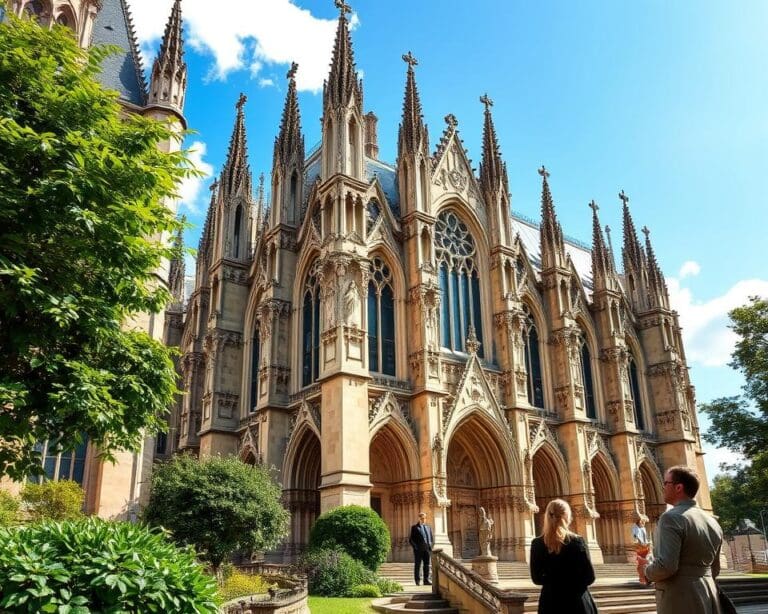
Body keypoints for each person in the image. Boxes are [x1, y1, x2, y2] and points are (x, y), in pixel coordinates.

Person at [637, 465, 723, 614]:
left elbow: (667, 566)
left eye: (665, 483)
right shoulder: (712, 521)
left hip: (679, 597)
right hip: (709, 594)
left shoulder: (671, 517)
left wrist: (645, 570)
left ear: (678, 488)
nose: (662, 487)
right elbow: (715, 568)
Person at [530, 499, 598, 614]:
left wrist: (554, 581)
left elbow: (537, 579)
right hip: (577, 602)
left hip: (550, 603)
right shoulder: (577, 541)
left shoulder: (537, 544)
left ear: (547, 516)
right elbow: (589, 577)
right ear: (567, 516)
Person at [409, 511, 434, 585]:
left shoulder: (428, 527)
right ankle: (417, 580)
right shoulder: (415, 527)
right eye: (422, 518)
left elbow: (431, 538)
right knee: (418, 565)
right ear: (419, 518)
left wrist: (430, 545)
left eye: (425, 518)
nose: (424, 520)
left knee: (427, 565)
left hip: (427, 549)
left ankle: (426, 580)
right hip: (418, 550)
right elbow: (411, 539)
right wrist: (415, 547)